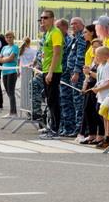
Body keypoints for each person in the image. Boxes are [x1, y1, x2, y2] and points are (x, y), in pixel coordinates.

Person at [38, 10, 64, 138]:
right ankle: (51, 126)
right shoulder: (47, 33)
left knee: (53, 100)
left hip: (53, 71)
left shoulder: (56, 32)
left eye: (46, 17)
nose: (43, 20)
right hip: (46, 69)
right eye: (41, 18)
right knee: (49, 100)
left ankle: (55, 129)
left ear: (52, 19)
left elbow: (57, 53)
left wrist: (50, 72)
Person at [61, 17, 88, 139]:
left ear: (82, 25)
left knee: (78, 103)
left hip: (78, 75)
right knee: (73, 102)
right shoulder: (75, 38)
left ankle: (80, 129)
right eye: (71, 24)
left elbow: (80, 56)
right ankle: (73, 128)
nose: (73, 26)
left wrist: (76, 72)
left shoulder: (82, 38)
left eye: (76, 23)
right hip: (70, 73)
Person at [89, 45, 109, 148]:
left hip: (107, 95)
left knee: (107, 118)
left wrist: (98, 89)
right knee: (103, 117)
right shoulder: (100, 66)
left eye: (98, 55)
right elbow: (100, 80)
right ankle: (106, 136)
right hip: (101, 96)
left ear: (106, 56)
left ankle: (108, 138)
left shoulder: (108, 67)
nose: (96, 57)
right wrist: (97, 87)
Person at [0, 31, 19, 117]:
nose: (9, 39)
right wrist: (4, 59)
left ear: (13, 38)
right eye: (7, 37)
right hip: (4, 72)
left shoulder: (15, 47)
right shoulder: (4, 48)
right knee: (7, 91)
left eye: (10, 37)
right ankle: (12, 111)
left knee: (11, 92)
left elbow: (11, 58)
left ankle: (13, 112)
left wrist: (4, 59)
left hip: (12, 71)